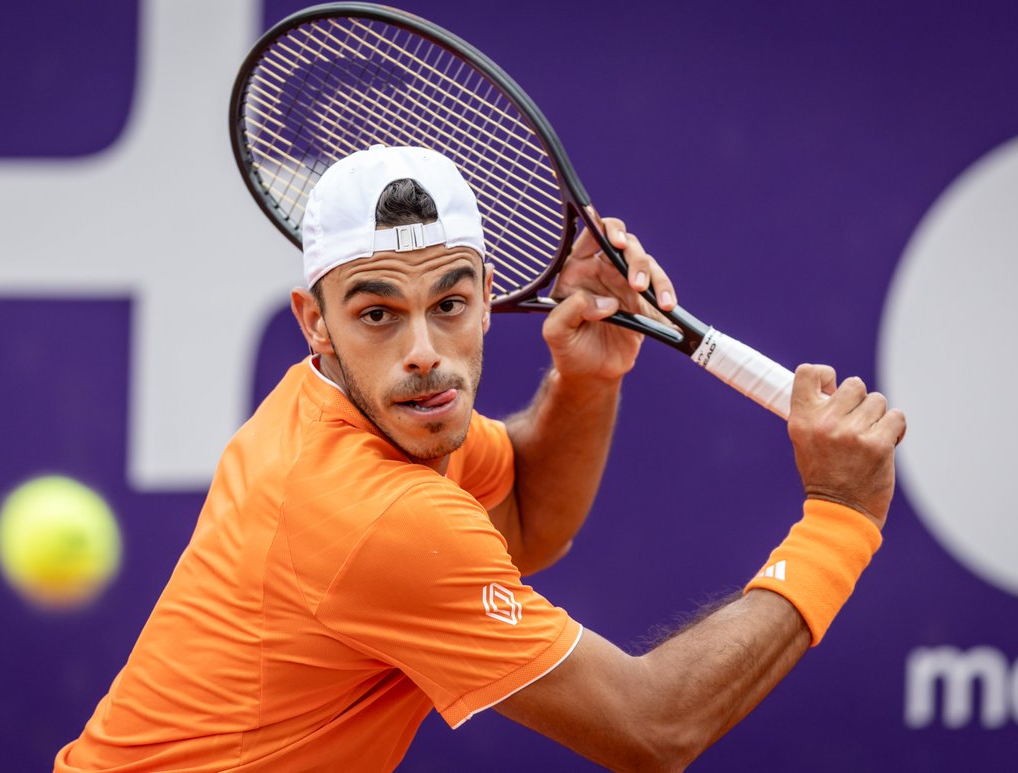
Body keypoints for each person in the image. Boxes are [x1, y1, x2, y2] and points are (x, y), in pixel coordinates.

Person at [55, 145, 906, 772]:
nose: (425, 351)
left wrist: (585, 380)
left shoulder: (346, 407)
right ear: (315, 322)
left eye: (451, 303)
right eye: (378, 315)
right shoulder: (375, 512)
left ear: (490, 295)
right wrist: (839, 519)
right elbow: (654, 727)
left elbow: (527, 521)